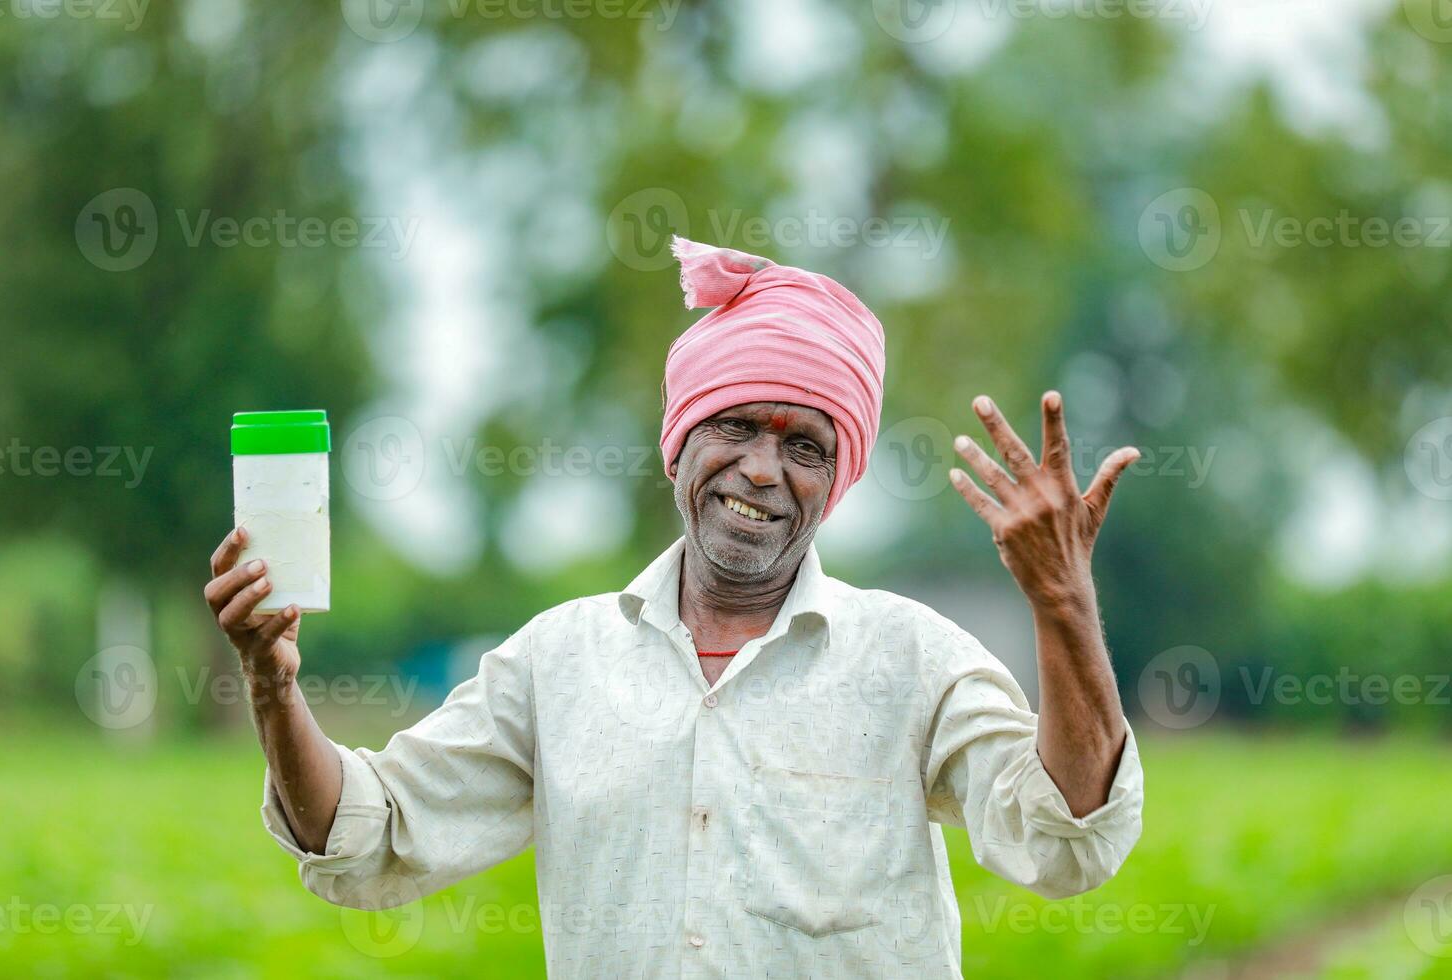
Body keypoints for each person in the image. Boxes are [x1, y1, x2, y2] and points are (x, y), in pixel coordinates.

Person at [203, 237, 1144, 978]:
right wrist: (271, 685)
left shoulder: (913, 660)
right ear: (677, 444)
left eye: (806, 446)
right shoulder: (559, 662)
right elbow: (367, 838)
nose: (763, 471)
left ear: (838, 480)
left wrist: (1062, 602)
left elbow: (1065, 839)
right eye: (735, 427)